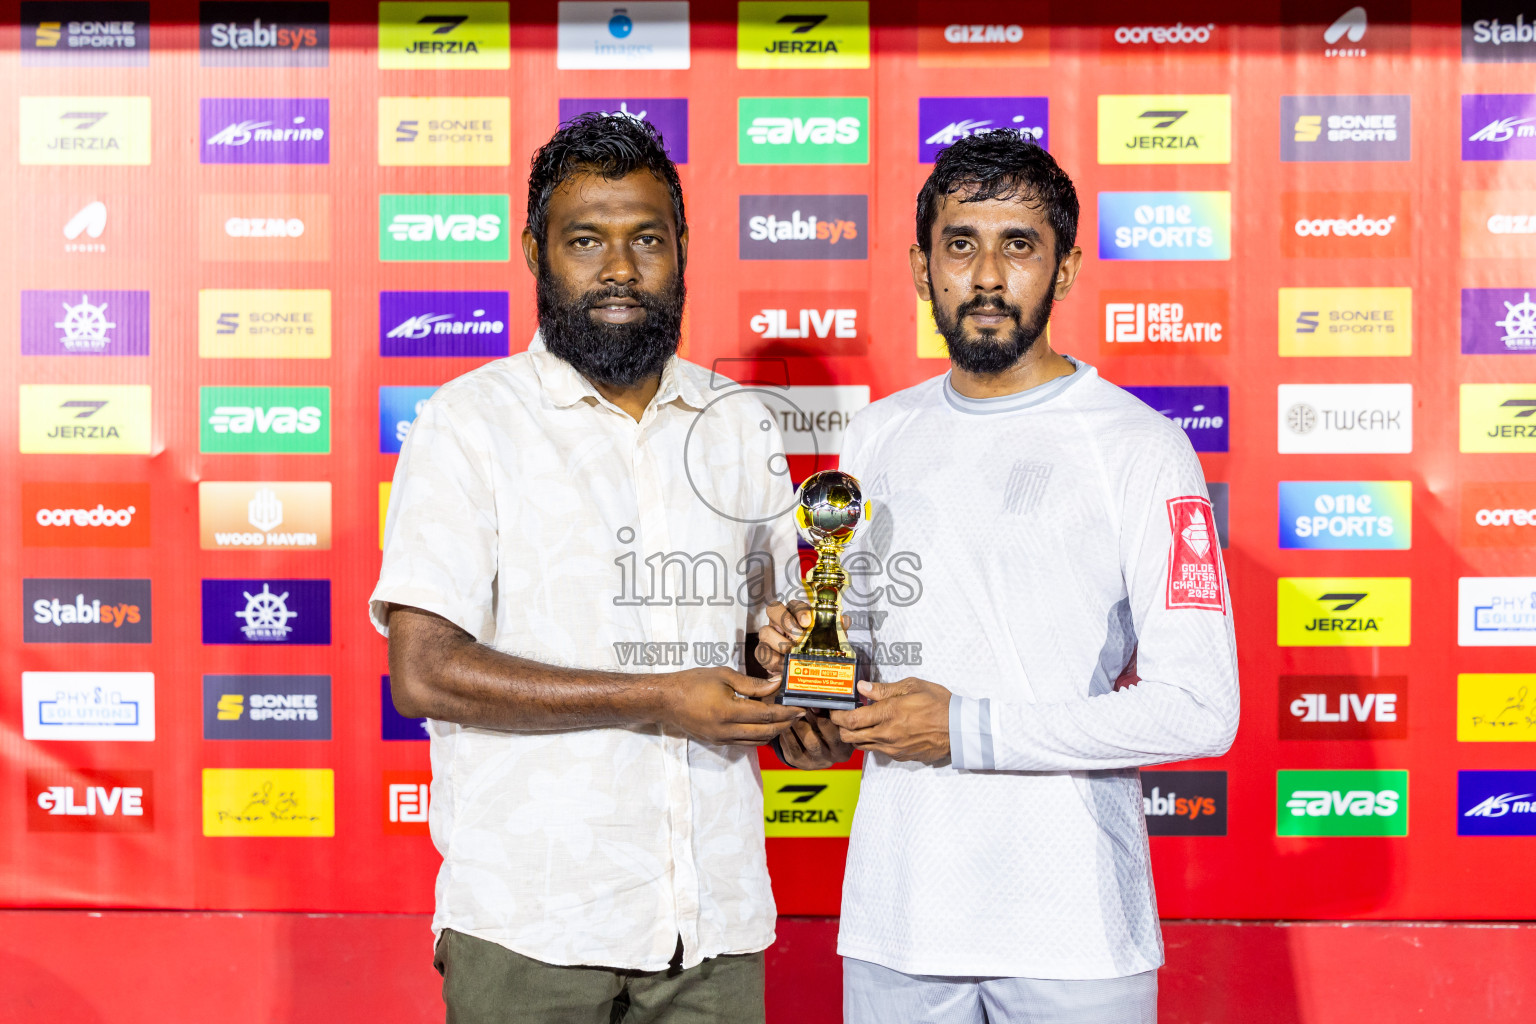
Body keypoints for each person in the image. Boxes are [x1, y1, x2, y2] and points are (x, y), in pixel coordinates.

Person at [758, 131, 1240, 1023]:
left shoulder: (1138, 447)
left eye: (1018, 246)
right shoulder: (878, 436)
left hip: (1075, 937)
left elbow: (1200, 707)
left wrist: (964, 728)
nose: (986, 277)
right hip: (897, 925)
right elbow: (860, 661)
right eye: (961, 244)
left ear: (1064, 270)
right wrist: (811, 710)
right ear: (919, 265)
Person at [371, 113, 817, 1024]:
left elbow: (764, 637)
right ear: (536, 251)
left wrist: (790, 679)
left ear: (682, 249)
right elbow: (422, 671)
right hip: (531, 926)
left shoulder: (740, 423)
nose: (619, 269)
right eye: (586, 241)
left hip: (713, 923)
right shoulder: (469, 424)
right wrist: (656, 696)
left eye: (646, 239)